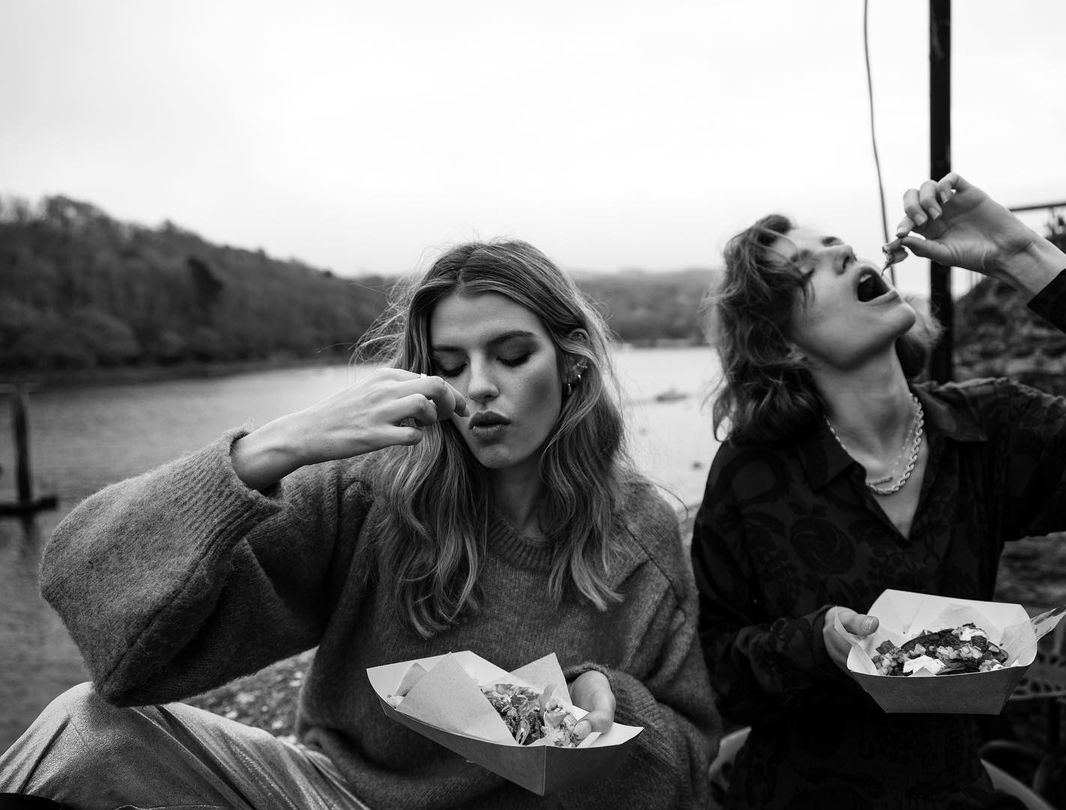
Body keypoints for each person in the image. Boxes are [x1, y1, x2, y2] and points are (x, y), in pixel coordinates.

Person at [0, 240, 720, 809]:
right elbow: (89, 595)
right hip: (335, 797)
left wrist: (607, 703)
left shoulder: (639, 530)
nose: (478, 387)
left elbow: (690, 758)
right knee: (82, 731)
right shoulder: (372, 491)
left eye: (511, 356)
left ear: (571, 364)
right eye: (450, 365)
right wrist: (274, 447)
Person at [690, 172, 1066, 809]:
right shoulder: (751, 471)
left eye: (837, 244)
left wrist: (1022, 255)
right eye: (805, 270)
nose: (845, 252)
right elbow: (712, 669)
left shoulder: (989, 428)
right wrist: (814, 643)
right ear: (782, 342)